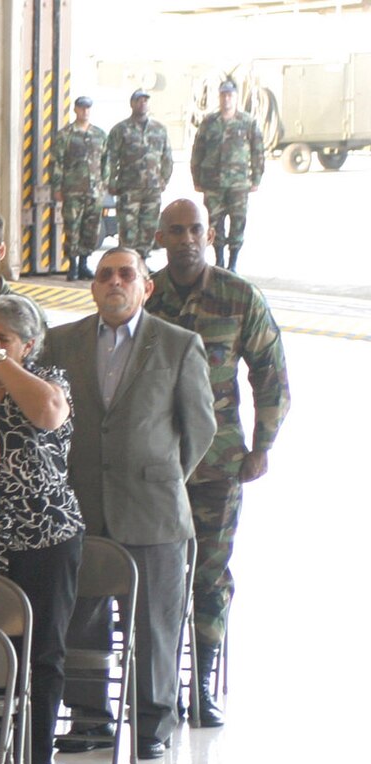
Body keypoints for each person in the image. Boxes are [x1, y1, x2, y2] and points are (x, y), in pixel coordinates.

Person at [40, 248, 213, 759]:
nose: (115, 282)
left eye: (126, 274)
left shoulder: (180, 345)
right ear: (92, 287)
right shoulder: (62, 341)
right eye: (104, 275)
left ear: (145, 286)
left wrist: (161, 475)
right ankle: (90, 718)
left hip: (154, 508)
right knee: (81, 617)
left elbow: (199, 427)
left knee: (155, 622)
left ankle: (152, 723)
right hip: (81, 505)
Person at [146, 199, 289, 727]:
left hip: (216, 464)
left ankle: (201, 683)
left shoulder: (238, 295)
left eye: (196, 230)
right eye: (176, 230)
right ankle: (155, 688)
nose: (187, 238)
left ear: (210, 235)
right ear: (160, 237)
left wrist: (261, 446)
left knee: (207, 574)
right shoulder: (145, 293)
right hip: (152, 466)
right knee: (157, 577)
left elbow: (271, 373)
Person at [0, 296, 84, 764]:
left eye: (3, 338)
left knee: (45, 649)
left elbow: (48, 414)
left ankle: (36, 760)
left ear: (27, 345)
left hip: (47, 535)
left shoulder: (50, 380)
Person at [190, 80, 265, 272]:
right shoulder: (209, 122)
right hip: (212, 183)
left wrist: (256, 178)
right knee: (215, 223)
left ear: (236, 97)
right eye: (223, 95)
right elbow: (198, 150)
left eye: (230, 95)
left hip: (238, 184)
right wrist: (196, 178)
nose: (226, 99)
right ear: (219, 97)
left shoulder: (247, 122)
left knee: (238, 221)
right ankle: (219, 261)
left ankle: (233, 262)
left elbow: (258, 152)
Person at [105, 89, 173, 262]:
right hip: (129, 188)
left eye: (145, 100)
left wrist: (164, 179)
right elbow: (110, 158)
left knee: (149, 228)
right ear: (132, 104)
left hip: (152, 189)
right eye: (138, 100)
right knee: (128, 229)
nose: (142, 103)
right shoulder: (120, 130)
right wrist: (111, 181)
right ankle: (127, 264)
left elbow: (167, 157)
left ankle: (142, 263)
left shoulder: (159, 130)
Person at [52, 96, 106, 281]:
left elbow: (106, 161)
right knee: (72, 228)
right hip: (73, 189)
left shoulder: (99, 135)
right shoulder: (65, 135)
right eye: (82, 108)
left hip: (94, 191)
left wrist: (104, 183)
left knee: (91, 229)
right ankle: (72, 265)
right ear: (75, 109)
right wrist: (57, 186)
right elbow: (57, 162)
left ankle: (84, 263)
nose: (85, 111)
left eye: (88, 108)